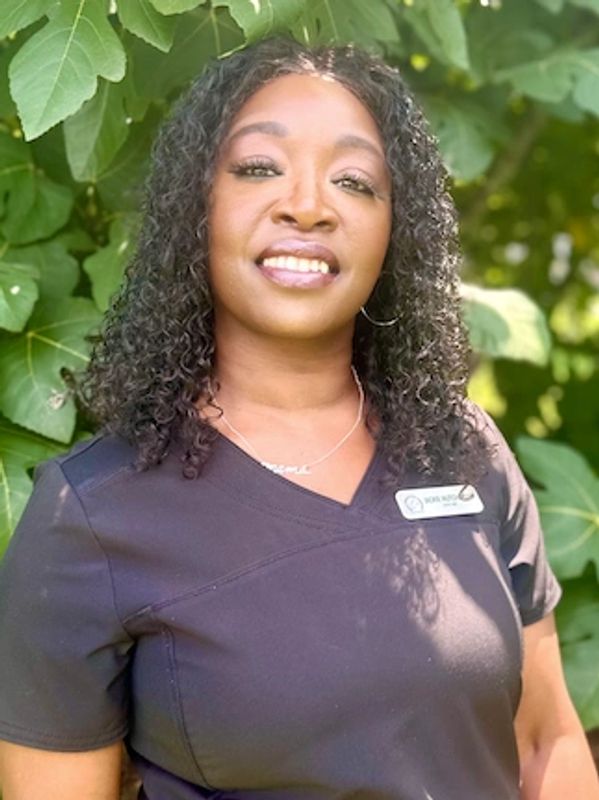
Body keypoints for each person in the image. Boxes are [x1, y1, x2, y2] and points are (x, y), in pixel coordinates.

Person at [0, 36, 597, 800]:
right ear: (195, 208)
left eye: (353, 181)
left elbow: (547, 745)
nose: (307, 206)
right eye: (258, 168)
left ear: (395, 232)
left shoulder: (462, 451)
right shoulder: (91, 515)